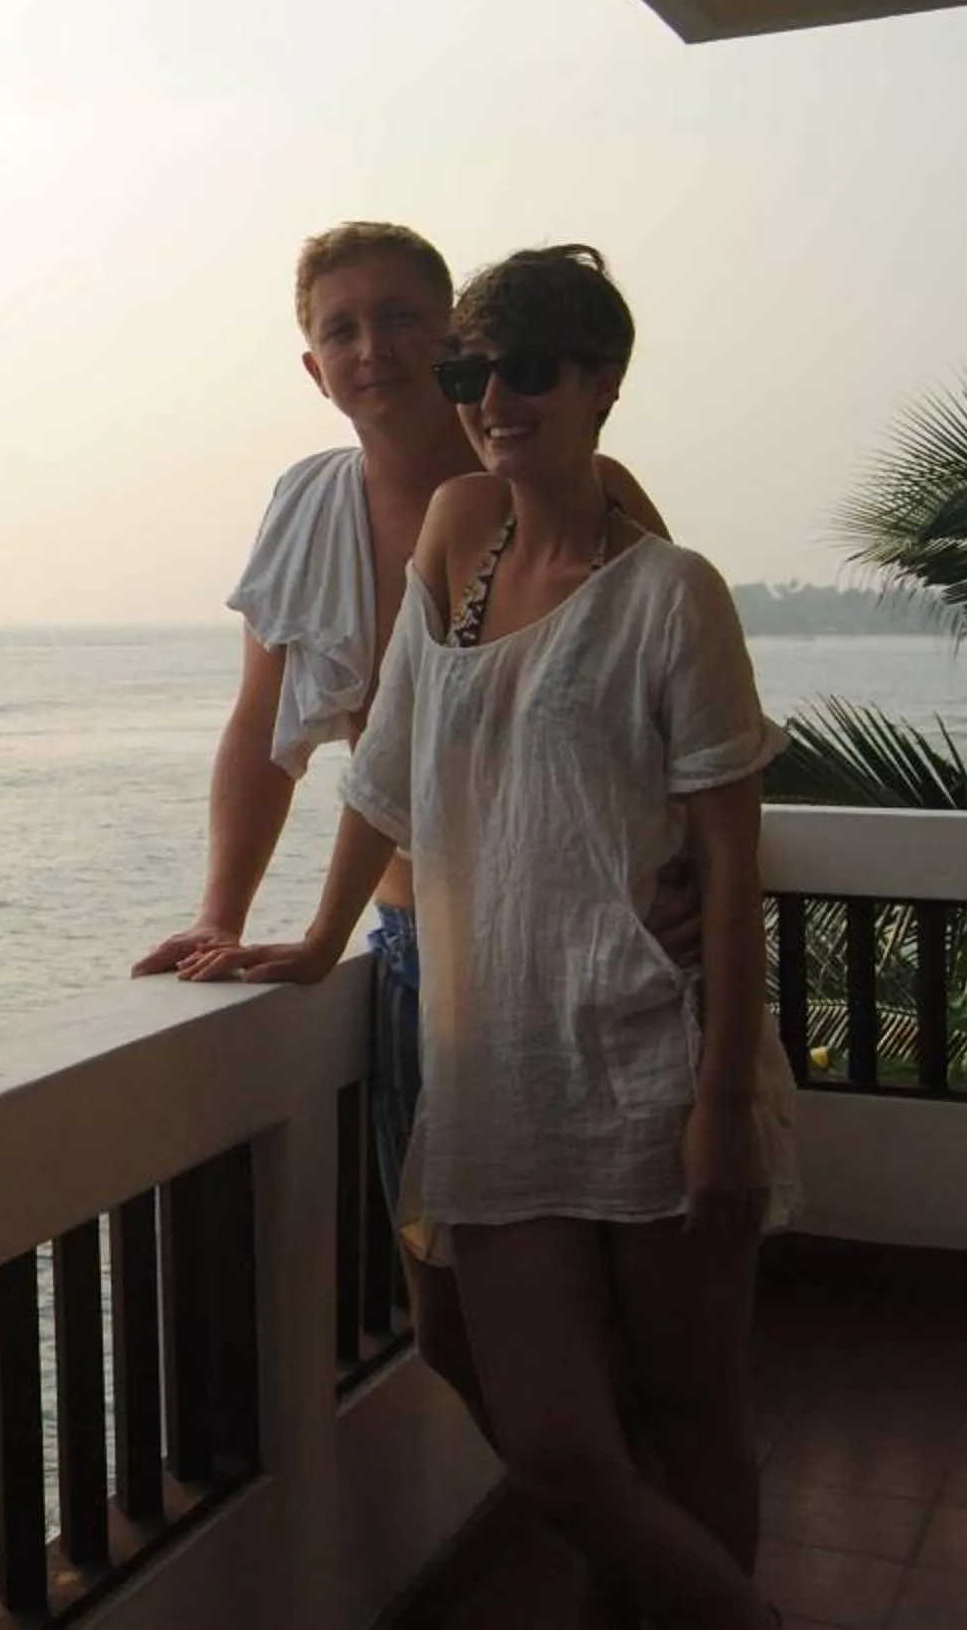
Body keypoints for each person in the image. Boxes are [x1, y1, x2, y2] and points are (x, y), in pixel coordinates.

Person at [192, 245, 801, 1629]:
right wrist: (298, 936)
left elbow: (715, 827)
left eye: (522, 368)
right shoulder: (448, 540)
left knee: (687, 1406)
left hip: (641, 1037)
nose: (489, 395)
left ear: (600, 382)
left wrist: (723, 1101)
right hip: (483, 1036)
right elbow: (377, 768)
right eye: (475, 370)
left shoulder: (663, 575)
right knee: (536, 1418)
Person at [132, 221, 685, 1439]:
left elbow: (669, 708)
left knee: (611, 1315)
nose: (371, 348)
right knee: (449, 1321)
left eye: (398, 318)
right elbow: (265, 727)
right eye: (341, 328)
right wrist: (223, 914)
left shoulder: (568, 488)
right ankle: (615, 1510)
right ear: (314, 366)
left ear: (454, 340)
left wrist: (685, 884)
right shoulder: (310, 506)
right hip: (415, 954)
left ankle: (635, 1526)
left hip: (577, 947)